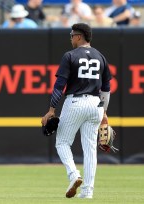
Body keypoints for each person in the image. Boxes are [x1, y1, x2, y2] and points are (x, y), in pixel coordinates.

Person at [42, 23, 112, 199]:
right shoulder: (101, 57)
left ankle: (74, 175)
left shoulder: (70, 55)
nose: (71, 38)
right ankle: (87, 192)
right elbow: (106, 89)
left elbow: (59, 86)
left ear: (79, 36)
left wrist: (51, 109)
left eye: (72, 35)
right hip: (96, 105)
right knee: (90, 149)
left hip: (75, 102)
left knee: (62, 142)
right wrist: (104, 112)